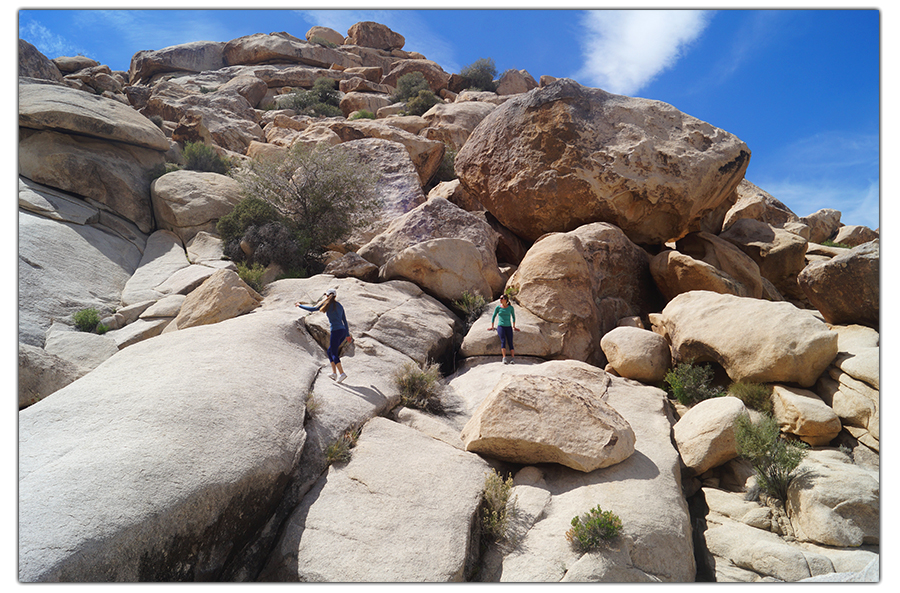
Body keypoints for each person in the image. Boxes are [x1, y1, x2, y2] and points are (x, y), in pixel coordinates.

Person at [296, 288, 352, 383]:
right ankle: (334, 374)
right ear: (335, 296)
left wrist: (300, 305)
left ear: (327, 296)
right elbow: (345, 321)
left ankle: (342, 373)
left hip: (335, 331)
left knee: (333, 353)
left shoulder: (327, 304)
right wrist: (347, 335)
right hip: (342, 331)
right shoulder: (340, 306)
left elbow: (313, 309)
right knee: (330, 351)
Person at [489, 294, 520, 364]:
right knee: (503, 341)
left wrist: (514, 326)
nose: (500, 300)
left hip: (508, 327)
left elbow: (514, 317)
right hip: (501, 326)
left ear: (506, 300)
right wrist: (492, 326)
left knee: (510, 342)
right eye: (500, 298)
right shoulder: (498, 308)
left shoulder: (510, 308)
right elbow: (493, 316)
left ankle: (512, 358)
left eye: (502, 298)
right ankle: (504, 358)